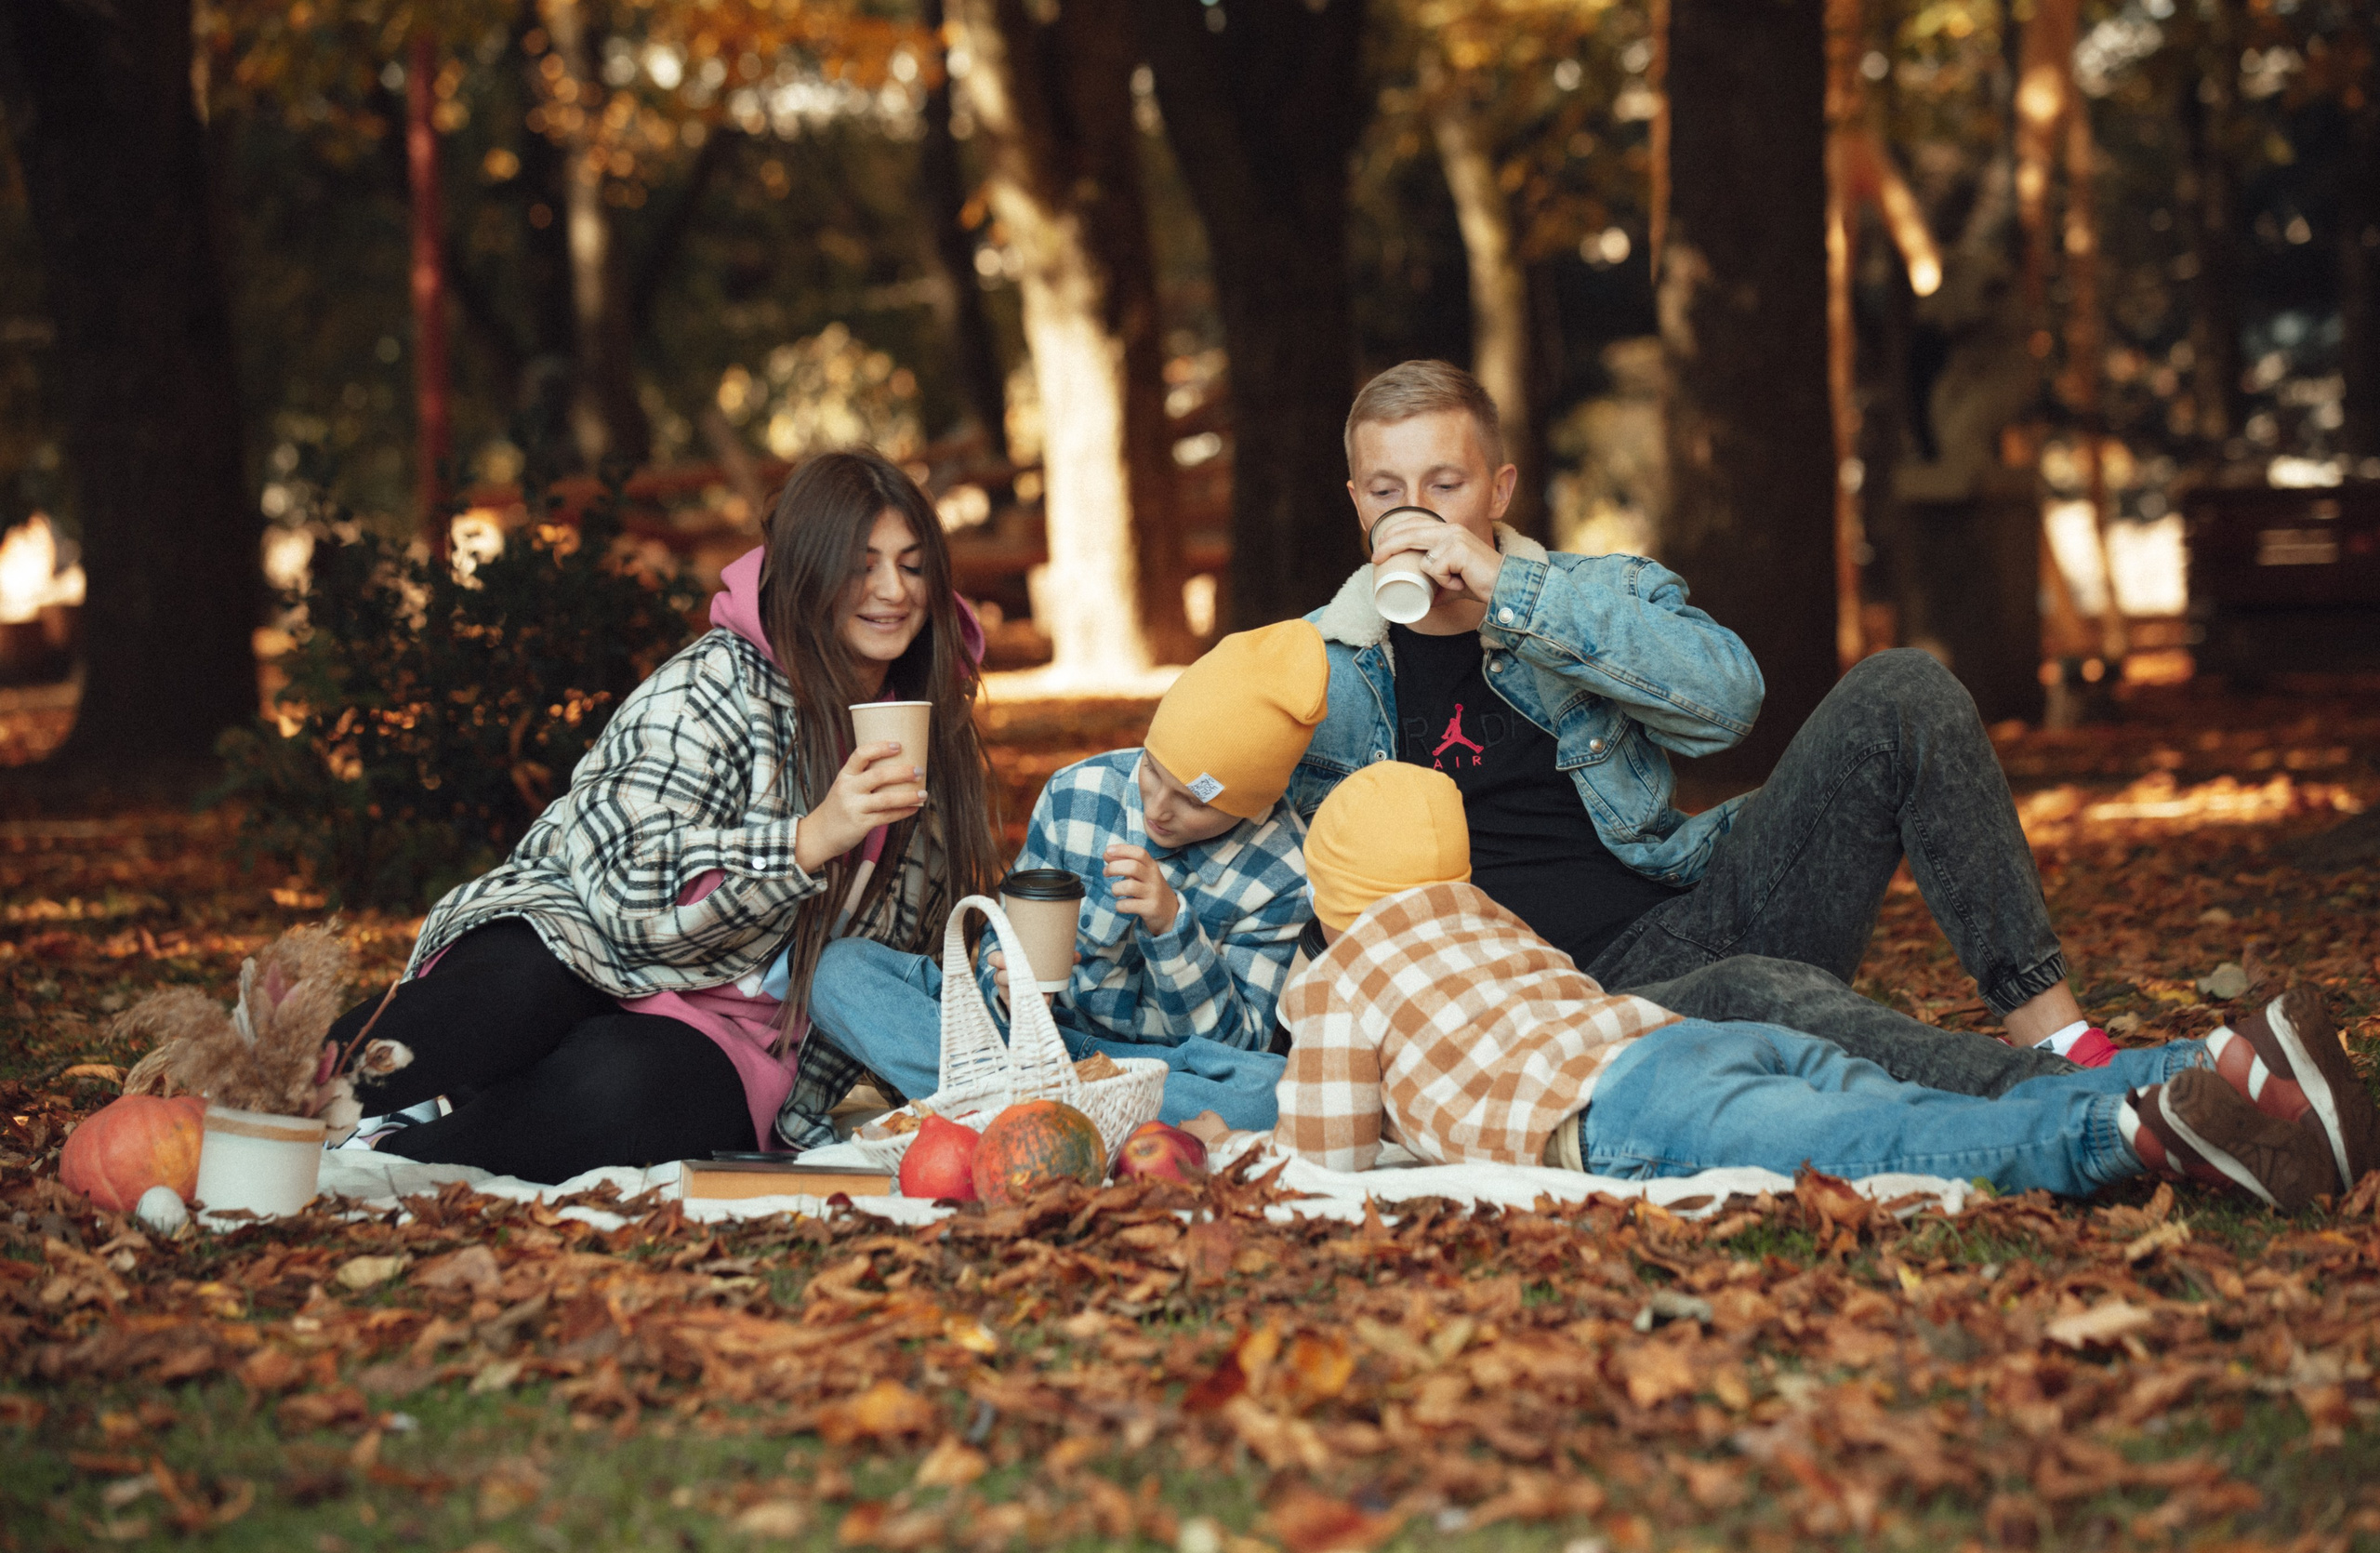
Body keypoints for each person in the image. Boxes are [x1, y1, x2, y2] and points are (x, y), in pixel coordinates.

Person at [1292, 359, 2133, 1097]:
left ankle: (2061, 1041)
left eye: (1446, 484)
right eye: (1386, 490)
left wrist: (1517, 595)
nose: (1416, 511)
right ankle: (2067, 1099)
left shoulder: (1591, 592)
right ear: (1354, 503)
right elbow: (1205, 819)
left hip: (1691, 915)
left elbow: (1729, 705)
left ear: (1500, 489)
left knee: (1902, 689)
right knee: (1756, 994)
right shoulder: (1315, 672)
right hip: (1559, 1011)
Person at [1202, 764, 2374, 1212]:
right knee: (1883, 1094)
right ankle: (2229, 1064)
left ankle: (2131, 1128)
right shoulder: (1488, 917)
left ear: (1334, 894)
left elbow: (1329, 1152)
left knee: (1883, 1137)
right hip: (1688, 1040)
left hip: (1627, 1111)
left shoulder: (1338, 972)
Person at [324, 449, 1004, 1182]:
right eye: (861, 564)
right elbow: (619, 892)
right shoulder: (714, 684)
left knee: (623, 1087)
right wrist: (809, 841)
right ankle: (278, 1102)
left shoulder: (933, 741)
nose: (891, 591)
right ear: (806, 570)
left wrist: (989, 986)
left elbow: (914, 962)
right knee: (506, 991)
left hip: (735, 1041)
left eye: (912, 565)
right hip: (587, 946)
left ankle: (388, 1160)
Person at [802, 621, 1329, 1130]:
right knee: (840, 974)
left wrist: (1172, 930)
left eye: (1192, 801)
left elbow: (1239, 1046)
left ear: (1250, 805)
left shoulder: (1284, 872)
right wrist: (1009, 988)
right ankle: (1060, 1106)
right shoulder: (1079, 793)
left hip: (1148, 1069)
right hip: (1025, 1039)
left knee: (1269, 1093)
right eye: (1153, 769)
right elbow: (997, 951)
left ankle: (995, 1103)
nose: (1159, 810)